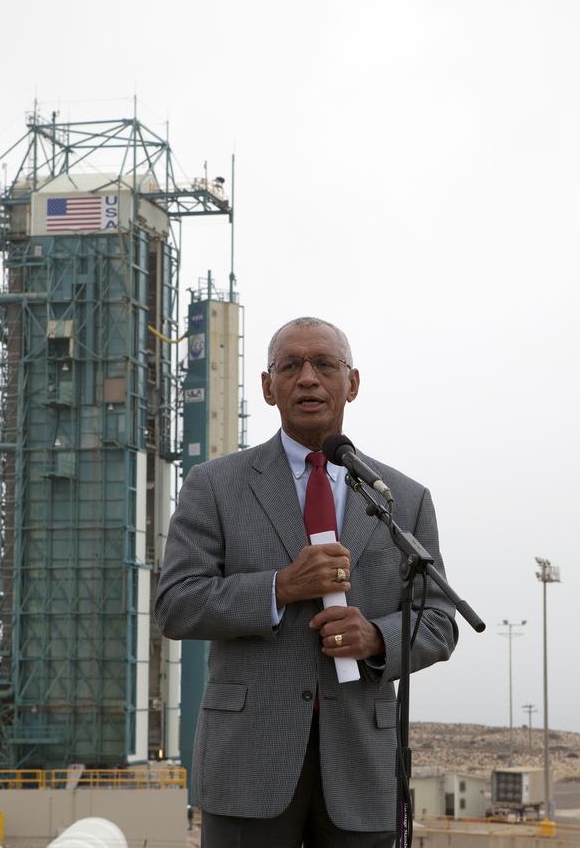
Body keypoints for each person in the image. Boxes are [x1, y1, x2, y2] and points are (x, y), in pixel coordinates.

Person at [155, 316, 459, 847]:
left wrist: (377, 637)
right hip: (248, 763)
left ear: (352, 383)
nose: (308, 378)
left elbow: (438, 621)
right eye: (290, 366)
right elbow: (176, 604)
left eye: (324, 364)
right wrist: (279, 587)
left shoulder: (403, 499)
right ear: (268, 387)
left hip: (362, 766)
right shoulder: (215, 485)